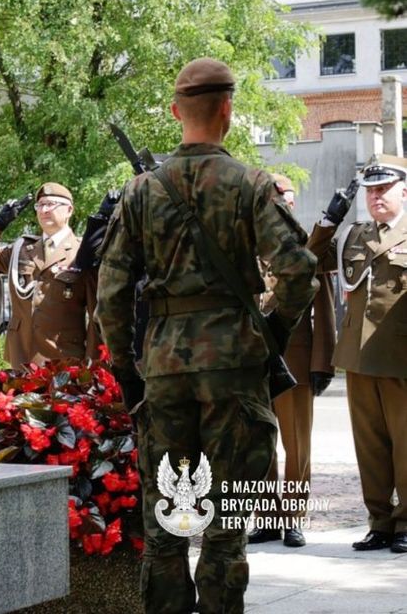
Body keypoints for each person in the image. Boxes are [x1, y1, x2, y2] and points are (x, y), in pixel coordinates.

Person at [97, 57, 317, 613]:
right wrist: (272, 332)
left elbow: (111, 295)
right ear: (228, 110)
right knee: (227, 526)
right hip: (236, 369)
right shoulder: (252, 185)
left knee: (167, 524)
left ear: (176, 112)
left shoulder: (141, 192)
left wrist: (126, 368)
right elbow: (297, 272)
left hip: (165, 370)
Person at [306, 154, 407, 554]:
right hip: (358, 357)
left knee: (405, 444)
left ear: (405, 190)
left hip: (400, 356)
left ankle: (405, 524)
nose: (376, 196)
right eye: (371, 190)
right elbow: (310, 261)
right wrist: (328, 222)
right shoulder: (354, 234)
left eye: (384, 188)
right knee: (369, 445)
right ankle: (379, 522)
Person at [247, 174, 337, 549]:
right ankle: (267, 518)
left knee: (296, 446)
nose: (284, 202)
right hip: (253, 361)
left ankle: (294, 518)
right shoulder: (244, 243)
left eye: (289, 197)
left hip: (295, 362)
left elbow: (324, 307)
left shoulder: (306, 244)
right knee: (258, 443)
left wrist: (322, 363)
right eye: (277, 196)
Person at [0, 182, 98, 367]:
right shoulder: (22, 249)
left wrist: (93, 363)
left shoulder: (81, 252)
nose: (44, 210)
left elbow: (95, 313)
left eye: (51, 204)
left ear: (69, 210)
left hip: (65, 358)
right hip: (22, 355)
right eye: (40, 205)